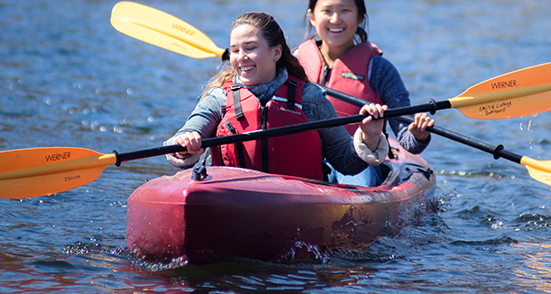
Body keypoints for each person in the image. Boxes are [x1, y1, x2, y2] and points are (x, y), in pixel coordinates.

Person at [165, 11, 391, 181]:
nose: (240, 58)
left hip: (300, 203)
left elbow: (346, 162)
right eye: (235, 50)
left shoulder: (309, 97)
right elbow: (191, 129)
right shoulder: (219, 98)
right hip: (234, 197)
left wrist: (369, 137)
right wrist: (186, 141)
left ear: (276, 52)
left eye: (250, 48)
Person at [296, 0, 435, 185]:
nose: (335, 20)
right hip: (301, 155)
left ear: (360, 17)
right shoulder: (293, 63)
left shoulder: (379, 69)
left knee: (360, 182)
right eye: (327, 11)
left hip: (359, 158)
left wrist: (419, 134)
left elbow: (408, 142)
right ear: (312, 17)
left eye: (345, 11)